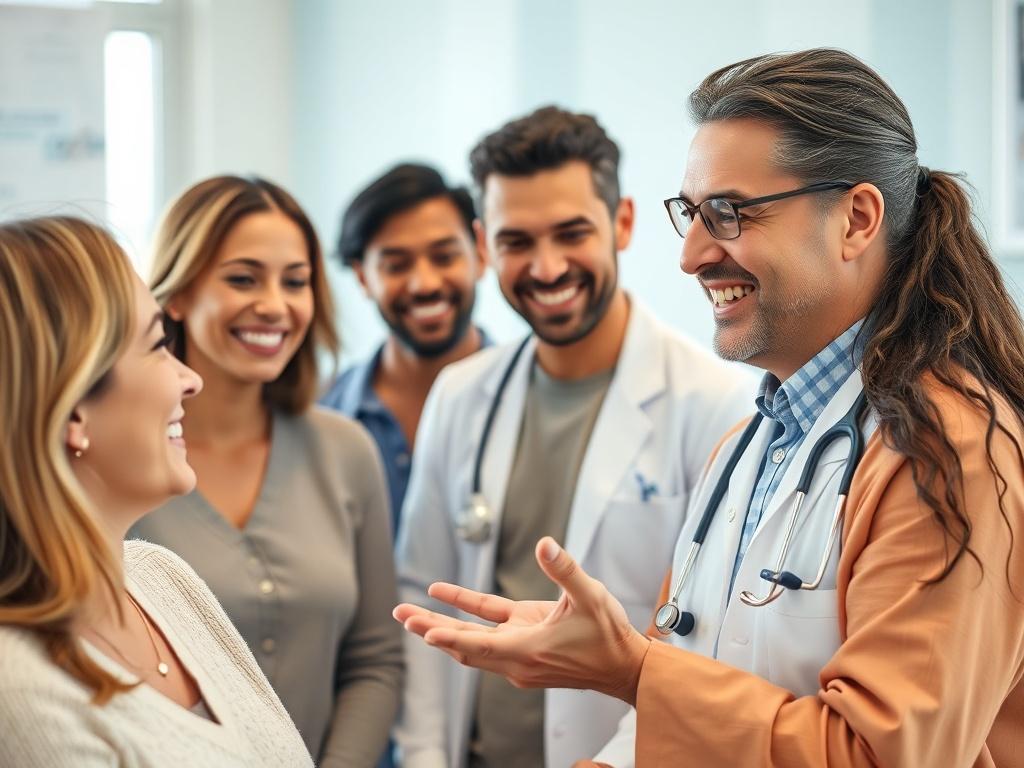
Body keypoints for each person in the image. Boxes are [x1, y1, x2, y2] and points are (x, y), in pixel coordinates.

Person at [394, 48, 1024, 768]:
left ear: (855, 219)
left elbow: (875, 754)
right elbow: (680, 710)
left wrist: (630, 669)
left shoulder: (952, 451)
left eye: (728, 214)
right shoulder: (747, 448)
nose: (691, 255)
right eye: (691, 215)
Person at [394, 106, 754, 768]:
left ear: (622, 223)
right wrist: (422, 754)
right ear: (483, 244)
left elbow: (706, 644)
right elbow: (421, 591)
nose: (548, 267)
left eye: (571, 233)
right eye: (517, 242)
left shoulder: (714, 404)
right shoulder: (459, 393)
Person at [0, 216, 313, 767]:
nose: (189, 378)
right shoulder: (19, 692)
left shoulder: (159, 577)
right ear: (73, 408)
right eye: (157, 347)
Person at [129, 176, 403, 767]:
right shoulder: (119, 460)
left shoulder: (346, 451)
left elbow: (375, 660)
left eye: (296, 281)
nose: (275, 305)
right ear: (176, 294)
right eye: (242, 278)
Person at [321, 163, 490, 537]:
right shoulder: (324, 416)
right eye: (396, 265)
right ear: (363, 276)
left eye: (444, 257)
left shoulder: (532, 401)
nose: (424, 283)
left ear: (480, 252)